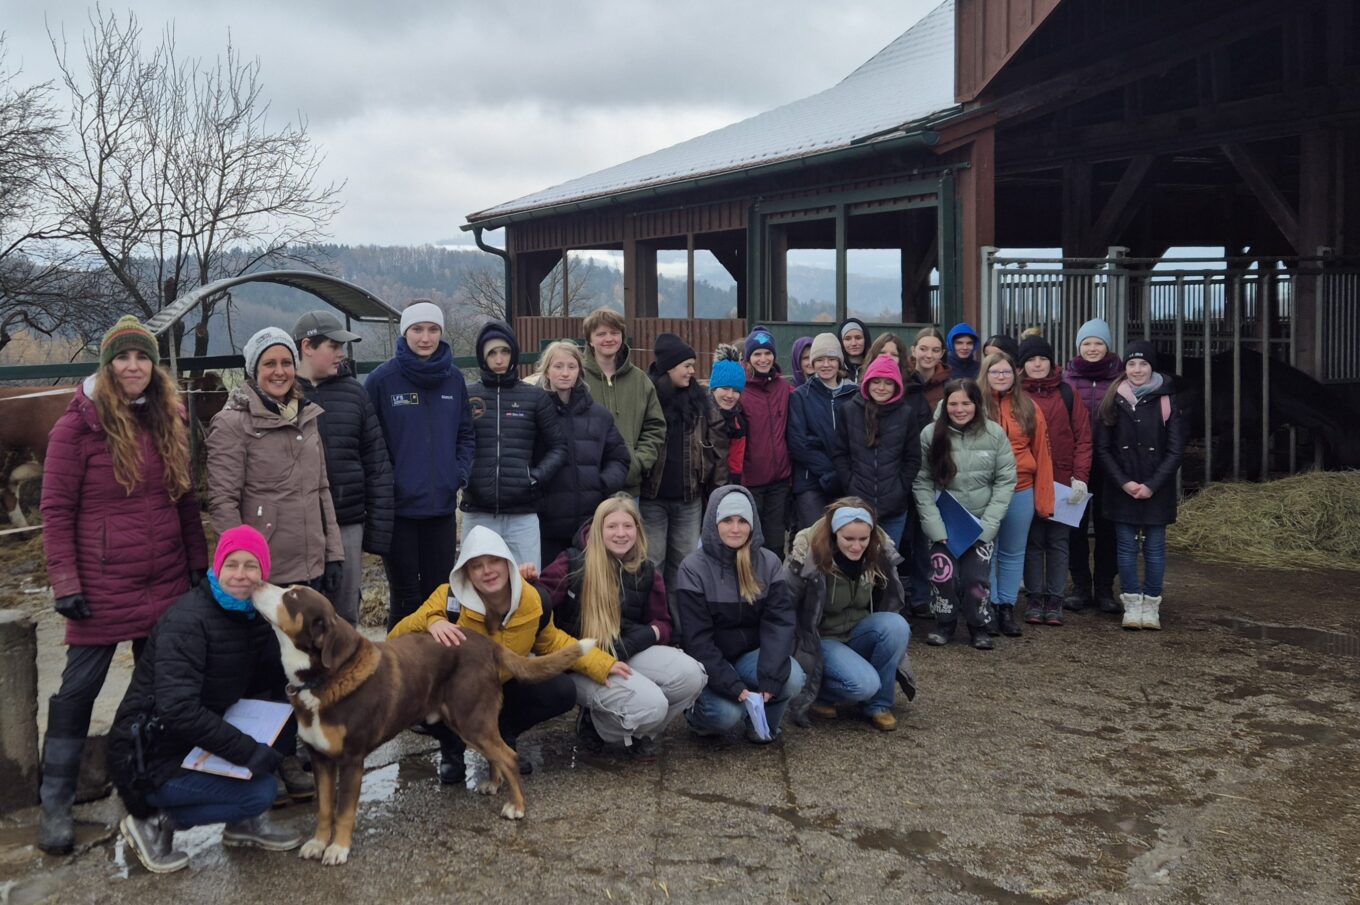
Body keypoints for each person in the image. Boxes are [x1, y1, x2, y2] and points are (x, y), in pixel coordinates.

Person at [37, 316, 208, 856]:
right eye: (122, 357)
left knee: (159, 691)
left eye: (142, 357)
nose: (133, 366)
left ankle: (146, 784)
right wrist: (65, 580)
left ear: (153, 366)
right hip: (101, 583)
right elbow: (55, 510)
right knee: (78, 690)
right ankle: (56, 801)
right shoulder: (77, 428)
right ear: (107, 365)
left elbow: (184, 499)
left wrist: (197, 564)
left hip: (165, 577)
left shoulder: (168, 418)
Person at [108, 526, 302, 874]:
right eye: (232, 564)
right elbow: (178, 709)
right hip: (152, 754)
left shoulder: (255, 616)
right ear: (217, 567)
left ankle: (241, 824)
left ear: (264, 572)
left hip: (200, 738)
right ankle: (153, 821)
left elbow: (272, 679)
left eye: (251, 566)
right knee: (260, 792)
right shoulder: (188, 620)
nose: (241, 575)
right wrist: (248, 752)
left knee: (285, 713)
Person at [389, 525, 623, 783]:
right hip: (455, 691)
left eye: (494, 561)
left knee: (561, 690)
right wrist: (431, 621)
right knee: (418, 693)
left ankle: (504, 738)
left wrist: (603, 664)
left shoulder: (532, 599)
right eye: (477, 566)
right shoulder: (448, 600)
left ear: (508, 563)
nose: (487, 571)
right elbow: (395, 639)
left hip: (504, 685)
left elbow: (553, 641)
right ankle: (452, 746)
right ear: (466, 572)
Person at [538, 496, 707, 761]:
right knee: (652, 704)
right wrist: (526, 582)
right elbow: (537, 604)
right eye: (612, 526)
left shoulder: (646, 570)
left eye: (628, 526)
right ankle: (599, 723)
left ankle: (641, 733)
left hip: (624, 652)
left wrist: (645, 635)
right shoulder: (571, 563)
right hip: (579, 664)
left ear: (638, 530)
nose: (621, 533)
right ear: (598, 529)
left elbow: (663, 624)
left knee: (692, 675)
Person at [364, 300, 476, 628]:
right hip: (398, 511)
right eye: (417, 329)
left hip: (440, 509)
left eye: (432, 329)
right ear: (405, 332)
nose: (425, 338)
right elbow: (368, 440)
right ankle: (398, 658)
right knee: (405, 597)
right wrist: (387, 482)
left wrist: (457, 474)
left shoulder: (454, 380)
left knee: (440, 594)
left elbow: (466, 433)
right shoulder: (382, 380)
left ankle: (437, 658)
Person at [208, 327, 344, 591]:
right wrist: (239, 564)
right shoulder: (232, 423)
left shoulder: (307, 417)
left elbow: (321, 490)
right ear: (254, 370)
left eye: (286, 363)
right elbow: (224, 501)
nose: (279, 372)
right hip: (264, 570)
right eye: (270, 364)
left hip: (313, 565)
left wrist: (333, 553)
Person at [677, 486, 804, 742]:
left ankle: (762, 724)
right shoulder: (692, 568)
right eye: (727, 520)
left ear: (753, 524)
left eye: (742, 521)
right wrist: (731, 684)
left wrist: (770, 677)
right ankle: (697, 714)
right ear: (714, 523)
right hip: (710, 662)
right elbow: (697, 640)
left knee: (792, 677)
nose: (735, 529)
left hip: (749, 657)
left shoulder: (769, 563)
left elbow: (779, 624)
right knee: (725, 715)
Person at [292, 310, 394, 625]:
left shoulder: (355, 393)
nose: (341, 354)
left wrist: (377, 532)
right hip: (296, 527)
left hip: (348, 523)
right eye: (333, 346)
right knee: (300, 618)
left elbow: (376, 463)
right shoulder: (282, 395)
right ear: (307, 346)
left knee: (345, 615)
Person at [783, 499, 912, 732]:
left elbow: (890, 597)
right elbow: (784, 604)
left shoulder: (878, 550)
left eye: (863, 539)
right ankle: (820, 693)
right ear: (834, 534)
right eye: (849, 539)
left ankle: (879, 704)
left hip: (857, 631)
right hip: (822, 640)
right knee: (864, 685)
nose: (856, 546)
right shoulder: (807, 555)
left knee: (897, 625)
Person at [914, 379, 1017, 650]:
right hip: (944, 522)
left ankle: (979, 625)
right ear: (945, 405)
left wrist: (989, 524)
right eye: (953, 404)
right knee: (943, 576)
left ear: (977, 404)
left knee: (976, 579)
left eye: (966, 403)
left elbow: (1005, 480)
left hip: (980, 522)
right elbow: (921, 481)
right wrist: (934, 525)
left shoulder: (994, 434)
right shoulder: (930, 434)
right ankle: (944, 622)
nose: (959, 409)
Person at [462, 319, 568, 571]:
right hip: (478, 511)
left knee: (527, 584)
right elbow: (454, 443)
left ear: (514, 354)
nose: (499, 359)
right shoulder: (466, 395)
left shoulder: (534, 397)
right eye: (492, 353)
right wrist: (465, 477)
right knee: (475, 584)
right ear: (482, 356)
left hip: (523, 514)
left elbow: (559, 447)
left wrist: (534, 477)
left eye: (505, 351)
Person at [1094, 341, 1186, 631]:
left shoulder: (1167, 399)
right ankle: (1132, 603)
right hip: (1123, 488)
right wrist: (1124, 483)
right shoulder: (1113, 399)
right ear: (1125, 368)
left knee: (1155, 548)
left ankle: (1152, 604)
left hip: (1157, 489)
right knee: (1126, 547)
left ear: (1152, 367)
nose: (1137, 369)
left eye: (1143, 364)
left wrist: (1152, 485)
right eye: (1131, 364)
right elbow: (1103, 448)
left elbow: (1176, 450)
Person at [641, 333, 728, 598]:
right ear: (670, 367)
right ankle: (656, 616)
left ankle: (682, 620)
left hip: (689, 500)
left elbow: (718, 448)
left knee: (685, 565)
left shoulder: (701, 400)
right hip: (652, 499)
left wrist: (718, 491)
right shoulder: (647, 396)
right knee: (652, 563)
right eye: (687, 365)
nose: (692, 371)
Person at [977, 352, 1055, 637]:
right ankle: (987, 605)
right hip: (984, 490)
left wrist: (1044, 499)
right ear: (985, 374)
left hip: (1021, 488)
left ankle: (1006, 607)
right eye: (995, 371)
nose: (1001, 376)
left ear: (1015, 375)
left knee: (1013, 551)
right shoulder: (974, 405)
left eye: (1006, 372)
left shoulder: (1028, 407)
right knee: (987, 551)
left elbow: (1042, 454)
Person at [533, 341, 631, 566]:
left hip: (589, 524)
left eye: (571, 366)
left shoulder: (599, 416)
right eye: (558, 366)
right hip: (547, 525)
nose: (565, 373)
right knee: (550, 583)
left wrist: (602, 484)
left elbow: (619, 458)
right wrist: (538, 496)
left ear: (580, 371)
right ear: (546, 370)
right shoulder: (535, 413)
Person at [1018, 336, 1092, 627]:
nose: (1037, 364)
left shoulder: (1067, 392)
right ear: (1022, 364)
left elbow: (1083, 437)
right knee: (1034, 541)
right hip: (1029, 479)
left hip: (1063, 480)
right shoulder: (1016, 395)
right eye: (1031, 360)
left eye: (1043, 359)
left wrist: (1080, 477)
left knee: (1059, 542)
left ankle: (1055, 600)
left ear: (1051, 362)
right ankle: (1035, 599)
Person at [833, 355, 927, 552]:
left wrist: (900, 488)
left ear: (896, 386)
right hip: (857, 505)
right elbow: (840, 453)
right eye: (876, 382)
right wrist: (850, 484)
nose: (881, 388)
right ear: (867, 382)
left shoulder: (906, 413)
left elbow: (912, 458)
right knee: (857, 556)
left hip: (894, 507)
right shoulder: (849, 410)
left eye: (888, 383)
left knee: (887, 561)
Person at [1063, 318, 1123, 614]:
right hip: (1076, 464)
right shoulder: (1066, 379)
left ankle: (1104, 588)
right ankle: (1080, 586)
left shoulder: (1121, 379)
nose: (1092, 348)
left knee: (1107, 527)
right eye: (1087, 343)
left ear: (1107, 346)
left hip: (1111, 464)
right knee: (1074, 526)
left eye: (1099, 343)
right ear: (1079, 347)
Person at [580, 308, 667, 499]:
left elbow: (655, 427)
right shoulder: (577, 378)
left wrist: (637, 463)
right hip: (585, 487)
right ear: (589, 340)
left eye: (614, 333)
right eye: (601, 334)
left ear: (622, 337)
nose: (608, 339)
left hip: (628, 488)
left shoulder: (640, 380)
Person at [904, 326, 952, 612]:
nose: (928, 354)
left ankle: (927, 595)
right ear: (914, 350)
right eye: (923, 348)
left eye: (935, 350)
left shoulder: (949, 385)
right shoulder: (902, 381)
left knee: (928, 537)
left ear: (942, 353)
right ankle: (908, 592)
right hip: (904, 467)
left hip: (936, 470)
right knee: (906, 535)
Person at [788, 332, 857, 533]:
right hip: (811, 481)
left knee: (845, 537)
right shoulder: (801, 396)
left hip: (847, 481)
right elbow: (799, 443)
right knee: (816, 539)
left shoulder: (854, 394)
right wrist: (829, 472)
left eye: (831, 359)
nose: (825, 365)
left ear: (839, 362)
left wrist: (842, 473)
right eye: (819, 360)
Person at [740, 326, 793, 557]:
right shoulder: (740, 389)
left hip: (779, 481)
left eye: (768, 353)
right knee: (751, 543)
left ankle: (774, 580)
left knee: (775, 544)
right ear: (748, 358)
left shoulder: (784, 388)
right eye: (757, 354)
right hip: (750, 481)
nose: (763, 359)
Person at [709, 344, 747, 486]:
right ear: (714, 388)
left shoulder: (738, 423)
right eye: (725, 388)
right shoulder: (699, 416)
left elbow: (736, 464)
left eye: (736, 390)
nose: (730, 395)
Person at [837, 317, 872, 382]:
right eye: (847, 339)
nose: (853, 343)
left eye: (858, 338)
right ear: (841, 342)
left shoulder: (874, 367)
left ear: (866, 339)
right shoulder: (835, 369)